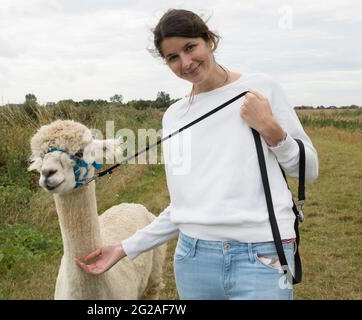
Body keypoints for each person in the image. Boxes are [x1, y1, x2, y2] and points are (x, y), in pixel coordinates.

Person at [74, 9, 319, 300]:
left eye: (191, 47)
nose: (186, 63)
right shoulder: (174, 117)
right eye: (172, 57)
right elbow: (182, 208)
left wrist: (271, 129)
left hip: (262, 254)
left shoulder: (260, 89)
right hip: (194, 260)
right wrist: (125, 248)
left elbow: (308, 171)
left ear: (210, 40)